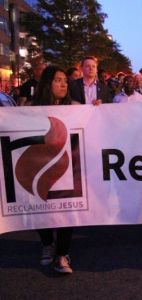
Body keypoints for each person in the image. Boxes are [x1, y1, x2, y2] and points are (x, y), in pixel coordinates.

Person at [29, 65, 79, 274]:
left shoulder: (75, 107)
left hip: (68, 168)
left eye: (65, 81)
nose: (63, 84)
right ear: (47, 83)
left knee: (68, 209)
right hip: (40, 167)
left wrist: (96, 109)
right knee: (42, 209)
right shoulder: (30, 109)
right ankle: (47, 243)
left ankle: (62, 255)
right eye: (58, 80)